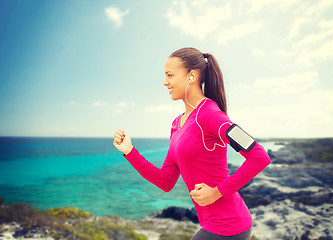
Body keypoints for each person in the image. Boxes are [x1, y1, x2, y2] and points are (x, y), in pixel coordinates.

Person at [113, 47, 271, 240]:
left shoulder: (211, 114)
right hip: (211, 224)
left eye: (170, 75)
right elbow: (166, 181)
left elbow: (259, 157)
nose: (165, 82)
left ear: (191, 76)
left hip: (229, 225)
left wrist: (218, 192)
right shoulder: (176, 125)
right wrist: (130, 152)